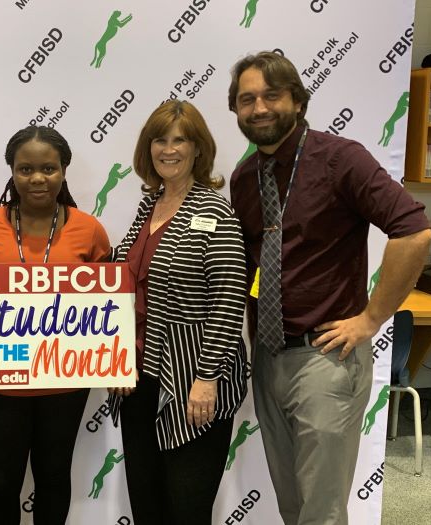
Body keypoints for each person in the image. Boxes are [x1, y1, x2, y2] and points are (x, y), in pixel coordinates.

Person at [227, 51, 431, 525]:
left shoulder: (341, 159)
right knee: (291, 501)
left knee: (321, 509)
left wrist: (371, 319)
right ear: (236, 111)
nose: (259, 108)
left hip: (325, 357)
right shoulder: (244, 179)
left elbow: (414, 230)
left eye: (271, 96)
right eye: (246, 99)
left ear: (297, 101)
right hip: (268, 355)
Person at [0, 125, 111, 525]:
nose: (38, 178)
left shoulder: (89, 229)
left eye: (49, 168)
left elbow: (107, 305)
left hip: (65, 383)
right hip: (3, 377)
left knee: (53, 477)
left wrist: (119, 362)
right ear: (11, 171)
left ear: (64, 170)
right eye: (25, 169)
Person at [109, 100, 248, 525]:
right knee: (146, 503)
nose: (168, 150)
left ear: (198, 148)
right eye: (159, 140)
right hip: (139, 379)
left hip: (193, 382)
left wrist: (206, 378)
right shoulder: (148, 207)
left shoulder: (215, 211)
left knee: (186, 509)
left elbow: (229, 300)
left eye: (179, 140)